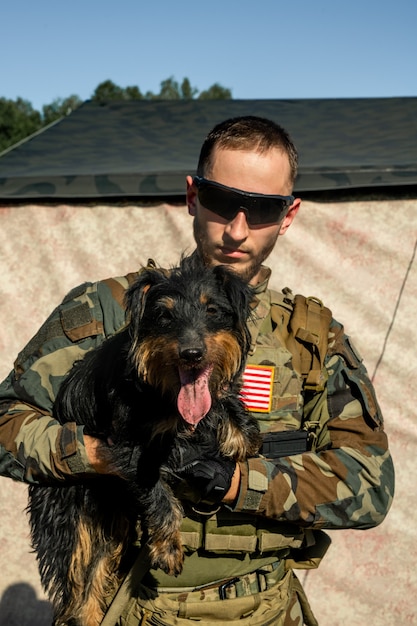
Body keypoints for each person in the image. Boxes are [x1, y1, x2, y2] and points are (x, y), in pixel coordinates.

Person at [0, 116, 394, 625]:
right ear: (192, 195)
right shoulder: (108, 309)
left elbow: (370, 485)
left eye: (264, 208)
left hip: (267, 609)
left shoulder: (311, 337)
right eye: (221, 200)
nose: (237, 228)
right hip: (130, 603)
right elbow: (5, 424)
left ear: (289, 213)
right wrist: (105, 456)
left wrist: (236, 483)